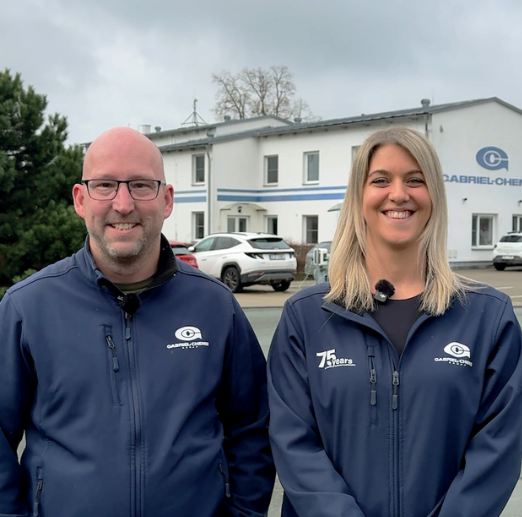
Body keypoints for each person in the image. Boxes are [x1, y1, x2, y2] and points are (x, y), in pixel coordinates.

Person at [0, 127, 275, 517]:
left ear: (167, 199)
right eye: (105, 185)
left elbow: (253, 430)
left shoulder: (215, 306)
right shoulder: (27, 308)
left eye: (141, 185)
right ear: (80, 199)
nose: (124, 204)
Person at [267, 126, 522, 517]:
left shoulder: (488, 317)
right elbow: (294, 443)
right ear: (359, 197)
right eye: (381, 180)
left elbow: (498, 449)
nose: (399, 194)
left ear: (434, 196)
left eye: (415, 180)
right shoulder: (306, 317)